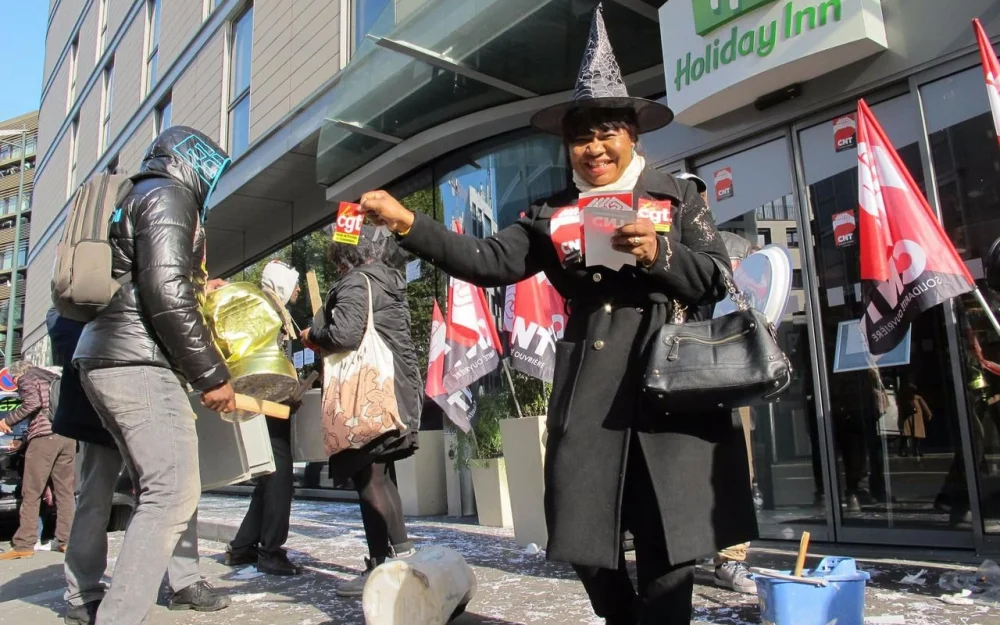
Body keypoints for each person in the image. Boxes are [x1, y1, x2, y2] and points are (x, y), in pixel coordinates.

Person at [355, 6, 757, 623]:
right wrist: (410, 224)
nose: (593, 147)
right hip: (592, 393)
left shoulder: (678, 196)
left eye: (607, 132)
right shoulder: (552, 211)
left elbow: (716, 278)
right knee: (584, 539)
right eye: (581, 136)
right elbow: (488, 259)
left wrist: (660, 252)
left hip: (671, 387)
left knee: (668, 550)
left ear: (633, 137)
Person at [74, 126, 236, 624]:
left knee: (155, 491)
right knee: (172, 492)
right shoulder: (169, 195)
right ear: (195, 162)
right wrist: (212, 374)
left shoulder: (136, 194)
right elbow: (167, 293)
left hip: (105, 355)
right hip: (138, 362)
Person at [300, 224, 421, 598]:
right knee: (377, 478)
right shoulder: (387, 281)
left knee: (369, 480)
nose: (335, 264)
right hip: (391, 388)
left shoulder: (356, 283)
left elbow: (345, 336)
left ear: (346, 254)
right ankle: (384, 564)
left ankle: (401, 565)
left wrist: (311, 337)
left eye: (337, 256)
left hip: (368, 393)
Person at [677, 173, 760, 595]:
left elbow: (758, 301)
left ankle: (731, 558)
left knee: (730, 468)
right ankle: (683, 548)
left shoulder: (739, 248)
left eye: (700, 197)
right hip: (677, 373)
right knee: (680, 465)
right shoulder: (661, 251)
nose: (696, 205)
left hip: (727, 369)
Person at [226, 260, 304, 576]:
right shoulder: (267, 312)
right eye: (294, 283)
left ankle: (243, 546)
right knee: (279, 480)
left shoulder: (273, 312)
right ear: (283, 286)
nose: (298, 289)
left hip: (266, 404)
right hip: (266, 405)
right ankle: (270, 551)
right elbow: (260, 366)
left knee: (269, 479)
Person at [47, 307, 123, 625]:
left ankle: (184, 581)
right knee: (96, 495)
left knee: (172, 490)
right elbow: (61, 326)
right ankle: (83, 593)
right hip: (106, 402)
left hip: (148, 392)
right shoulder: (76, 301)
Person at [0, 361, 74, 561]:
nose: (16, 385)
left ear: (17, 375)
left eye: (15, 382)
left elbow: (33, 403)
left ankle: (24, 544)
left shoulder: (27, 378)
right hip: (66, 436)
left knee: (31, 491)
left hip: (43, 438)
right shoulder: (53, 378)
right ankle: (66, 540)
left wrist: (7, 420)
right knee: (65, 491)